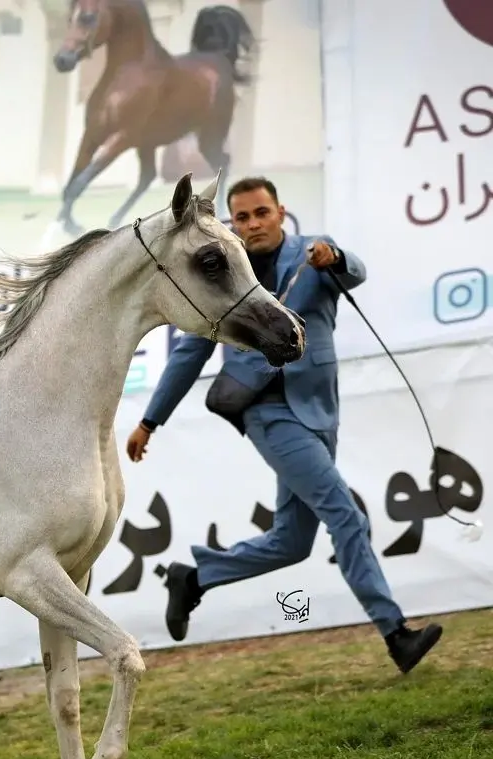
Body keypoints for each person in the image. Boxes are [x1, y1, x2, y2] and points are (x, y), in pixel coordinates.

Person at [126, 175, 442, 674]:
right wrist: (150, 420)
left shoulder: (313, 256)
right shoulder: (224, 278)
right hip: (265, 411)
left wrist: (334, 259)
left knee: (291, 543)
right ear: (232, 224)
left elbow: (355, 271)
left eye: (261, 213)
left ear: (280, 213)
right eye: (242, 217)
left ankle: (195, 576)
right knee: (346, 515)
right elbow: (189, 353)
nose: (253, 224)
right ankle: (395, 632)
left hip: (320, 409)